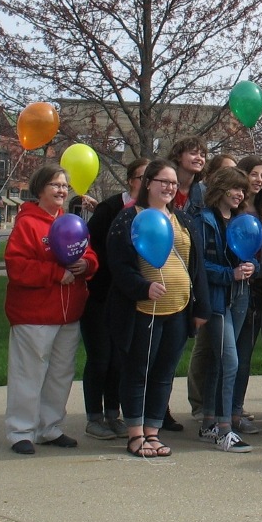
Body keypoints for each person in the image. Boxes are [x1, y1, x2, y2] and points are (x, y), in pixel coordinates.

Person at [106, 159, 210, 457]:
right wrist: (143, 287)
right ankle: (135, 435)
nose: (169, 187)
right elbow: (119, 265)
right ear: (148, 183)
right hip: (141, 311)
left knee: (164, 373)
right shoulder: (128, 219)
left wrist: (201, 308)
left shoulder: (184, 220)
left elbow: (196, 266)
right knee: (138, 371)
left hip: (178, 310)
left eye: (173, 183)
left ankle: (153, 432)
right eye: (163, 181)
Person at [4, 163, 98, 454]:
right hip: (34, 315)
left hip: (69, 313)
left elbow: (89, 253)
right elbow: (17, 266)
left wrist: (86, 265)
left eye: (64, 186)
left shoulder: (71, 222)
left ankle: (50, 427)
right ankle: (21, 431)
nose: (61, 190)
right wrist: (55, 273)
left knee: (60, 374)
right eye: (55, 185)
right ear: (40, 189)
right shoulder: (27, 223)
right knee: (28, 373)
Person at [80, 157, 149, 440]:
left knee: (120, 359)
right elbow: (90, 246)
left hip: (129, 297)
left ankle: (113, 413)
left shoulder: (151, 213)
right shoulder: (110, 209)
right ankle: (94, 417)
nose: (147, 183)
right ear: (130, 180)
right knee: (100, 358)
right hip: (100, 295)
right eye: (142, 177)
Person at [194, 166, 257, 453]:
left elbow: (253, 256)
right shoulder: (203, 220)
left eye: (243, 189)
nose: (240, 194)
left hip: (240, 297)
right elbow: (199, 264)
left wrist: (252, 267)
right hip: (217, 299)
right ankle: (224, 429)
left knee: (220, 362)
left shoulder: (243, 220)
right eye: (234, 188)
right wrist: (229, 274)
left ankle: (209, 422)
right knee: (230, 361)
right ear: (220, 188)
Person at [228, 154, 262, 434]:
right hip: (233, 288)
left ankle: (236, 410)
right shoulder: (231, 209)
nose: (258, 180)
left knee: (244, 355)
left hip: (258, 289)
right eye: (253, 173)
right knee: (230, 355)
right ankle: (220, 413)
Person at [172, 136, 208, 430]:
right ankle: (155, 410)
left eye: (202, 154)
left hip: (194, 273)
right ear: (178, 156)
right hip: (165, 273)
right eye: (193, 153)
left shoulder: (203, 193)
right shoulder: (165, 188)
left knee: (180, 345)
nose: (199, 158)